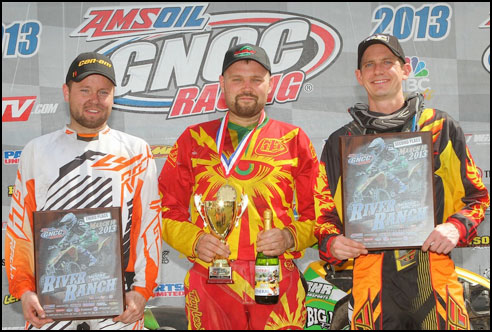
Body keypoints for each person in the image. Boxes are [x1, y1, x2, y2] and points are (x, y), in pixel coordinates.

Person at [315, 33, 490, 330]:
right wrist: (332, 242)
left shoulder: (441, 127)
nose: (378, 70)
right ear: (359, 76)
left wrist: (455, 226)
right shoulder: (341, 141)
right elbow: (322, 213)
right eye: (369, 65)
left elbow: (478, 197)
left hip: (433, 268)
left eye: (387, 62)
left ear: (406, 69)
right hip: (371, 275)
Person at [159, 43, 330, 329]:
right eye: (237, 79)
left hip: (276, 278)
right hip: (211, 279)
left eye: (256, 79)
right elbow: (165, 209)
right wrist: (195, 240)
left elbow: (322, 213)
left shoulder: (293, 139)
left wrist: (290, 237)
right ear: (222, 85)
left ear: (270, 86)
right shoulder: (194, 139)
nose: (246, 87)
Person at [5, 52, 162, 330]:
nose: (94, 99)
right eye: (85, 90)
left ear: (113, 96)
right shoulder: (36, 151)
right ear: (66, 92)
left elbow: (148, 226)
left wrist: (142, 290)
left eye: (104, 91)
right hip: (51, 308)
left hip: (118, 311)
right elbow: (21, 230)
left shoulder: (136, 151)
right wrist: (24, 290)